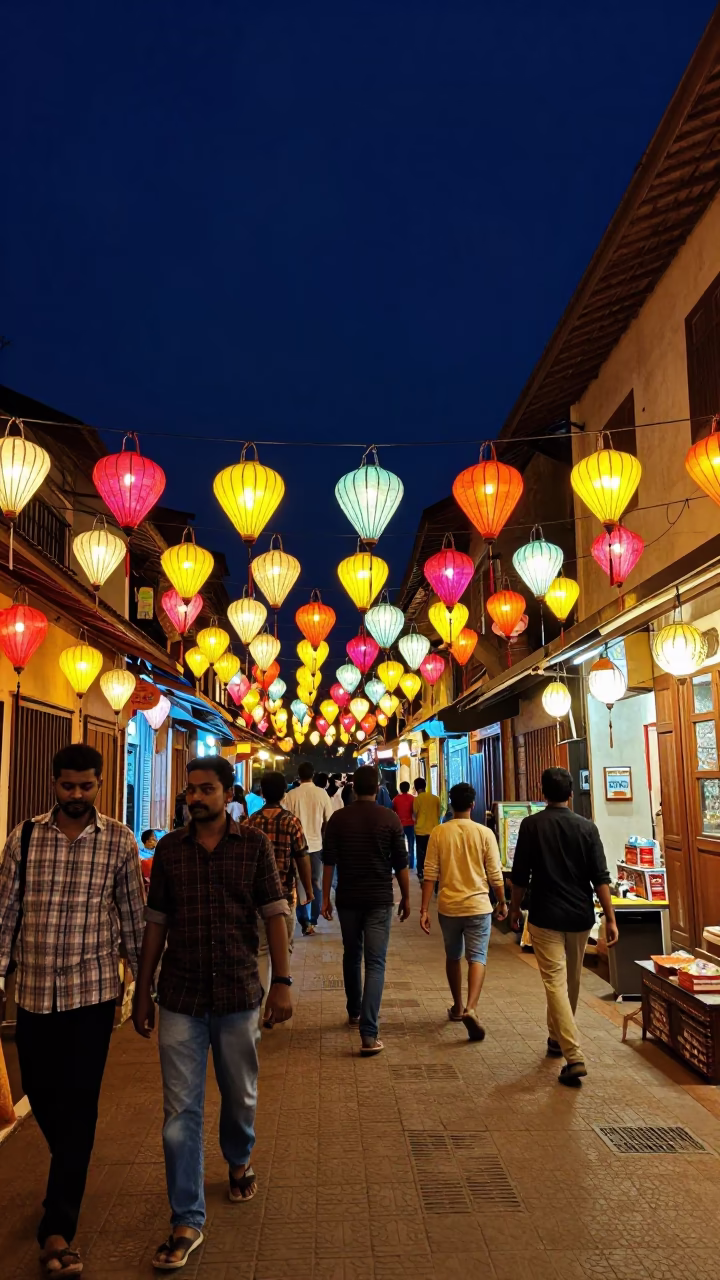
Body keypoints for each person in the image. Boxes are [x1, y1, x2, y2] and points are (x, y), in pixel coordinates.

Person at [133, 755, 292, 1269]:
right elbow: (156, 922)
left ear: (228, 793)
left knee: (240, 1094)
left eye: (205, 789)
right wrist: (141, 988)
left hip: (240, 994)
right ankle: (186, 1218)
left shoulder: (254, 846)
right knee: (180, 1113)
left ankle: (239, 1160)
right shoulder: (172, 852)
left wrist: (283, 984)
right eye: (190, 791)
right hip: (179, 995)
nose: (195, 798)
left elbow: (274, 914)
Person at [0, 744, 145, 1279]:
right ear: (54, 783)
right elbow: (5, 911)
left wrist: (142, 988)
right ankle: (71, 1166)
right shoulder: (26, 836)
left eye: (86, 786)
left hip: (92, 993)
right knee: (41, 1095)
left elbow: (132, 916)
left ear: (100, 785)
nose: (77, 795)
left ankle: (58, 1229)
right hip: (33, 991)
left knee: (80, 1105)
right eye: (68, 787)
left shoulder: (120, 843)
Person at [509, 767, 618, 1086]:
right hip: (580, 916)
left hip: (544, 916)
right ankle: (557, 1039)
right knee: (570, 982)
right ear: (571, 794)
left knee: (556, 983)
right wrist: (609, 917)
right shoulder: (587, 828)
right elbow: (600, 876)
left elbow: (520, 875)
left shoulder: (531, 826)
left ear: (543, 793)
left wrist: (515, 908)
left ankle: (574, 1055)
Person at [321, 765, 410, 1055]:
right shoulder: (390, 818)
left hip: (347, 897)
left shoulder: (338, 819)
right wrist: (407, 897)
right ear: (379, 787)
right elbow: (400, 864)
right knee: (376, 963)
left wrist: (324, 898)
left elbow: (329, 862)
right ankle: (369, 1034)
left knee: (351, 953)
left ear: (353, 788)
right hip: (379, 899)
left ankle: (355, 1012)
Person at [420, 782, 507, 1040]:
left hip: (449, 906)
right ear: (473, 804)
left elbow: (430, 874)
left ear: (450, 804)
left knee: (453, 956)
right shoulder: (484, 833)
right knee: (477, 957)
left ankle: (457, 1007)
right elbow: (495, 874)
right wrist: (502, 901)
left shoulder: (439, 832)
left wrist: (424, 909)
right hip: (479, 905)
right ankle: (471, 1007)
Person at [247, 770, 313, 1010]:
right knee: (283, 948)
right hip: (284, 896)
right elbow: (302, 857)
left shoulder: (251, 822)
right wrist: (308, 889)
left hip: (255, 899)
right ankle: (278, 997)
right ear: (284, 793)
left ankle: (263, 1006)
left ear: (262, 793)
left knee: (261, 951)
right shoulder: (291, 821)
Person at [284, 761, 333, 935]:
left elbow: (286, 820)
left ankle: (305, 922)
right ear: (313, 774)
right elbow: (329, 820)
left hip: (296, 847)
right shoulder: (322, 794)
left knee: (299, 884)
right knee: (316, 883)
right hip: (317, 845)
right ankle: (313, 919)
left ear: (299, 775)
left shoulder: (291, 795)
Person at [413, 777, 442, 881]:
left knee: (421, 853)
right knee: (433, 853)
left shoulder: (417, 799)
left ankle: (421, 872)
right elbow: (439, 814)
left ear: (416, 788)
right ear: (425, 786)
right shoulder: (436, 798)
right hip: (434, 830)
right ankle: (434, 872)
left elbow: (415, 814)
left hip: (420, 830)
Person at [392, 780, 416, 870]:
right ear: (408, 788)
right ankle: (411, 864)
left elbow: (393, 811)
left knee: (400, 846)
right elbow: (414, 811)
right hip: (410, 824)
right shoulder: (412, 798)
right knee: (411, 845)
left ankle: (401, 864)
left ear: (400, 789)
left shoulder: (396, 799)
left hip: (400, 825)